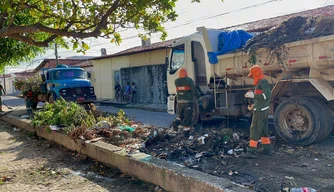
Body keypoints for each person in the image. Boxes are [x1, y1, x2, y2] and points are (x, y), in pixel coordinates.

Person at [242, 65, 273, 158]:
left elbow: (267, 95)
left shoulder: (262, 82)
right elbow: (261, 98)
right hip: (262, 109)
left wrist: (253, 96)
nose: (252, 77)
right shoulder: (261, 82)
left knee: (254, 129)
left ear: (256, 73)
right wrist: (253, 105)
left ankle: (252, 151)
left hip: (260, 111)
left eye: (253, 75)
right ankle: (267, 150)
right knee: (263, 130)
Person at [173, 68, 201, 136]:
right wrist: (199, 97)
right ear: (186, 73)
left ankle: (176, 122)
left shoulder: (176, 81)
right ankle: (186, 133)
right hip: (188, 102)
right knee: (187, 117)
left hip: (179, 102)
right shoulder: (189, 80)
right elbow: (194, 90)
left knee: (181, 115)